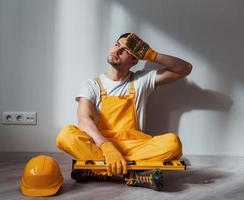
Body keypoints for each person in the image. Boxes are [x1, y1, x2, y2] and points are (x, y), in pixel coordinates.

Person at [56, 32, 192, 178]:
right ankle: (135, 174)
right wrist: (106, 146)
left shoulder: (141, 80)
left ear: (134, 61)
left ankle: (100, 169)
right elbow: (84, 119)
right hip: (101, 145)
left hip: (133, 146)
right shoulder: (91, 84)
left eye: (126, 50)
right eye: (117, 45)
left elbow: (185, 69)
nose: (118, 50)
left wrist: (152, 55)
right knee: (66, 134)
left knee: (173, 143)